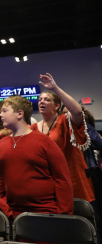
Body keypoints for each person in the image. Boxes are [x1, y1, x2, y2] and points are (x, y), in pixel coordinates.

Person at [0, 95, 73, 220]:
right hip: (13, 214)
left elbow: (62, 178)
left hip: (47, 212)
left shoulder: (44, 142)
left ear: (20, 114)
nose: (0, 115)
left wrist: (64, 215)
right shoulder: (1, 145)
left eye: (4, 111)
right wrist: (6, 208)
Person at [34, 73, 95, 204]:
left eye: (47, 100)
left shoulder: (65, 121)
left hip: (70, 177)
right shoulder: (34, 128)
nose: (42, 102)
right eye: (40, 100)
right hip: (47, 179)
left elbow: (77, 111)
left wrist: (55, 88)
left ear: (57, 106)